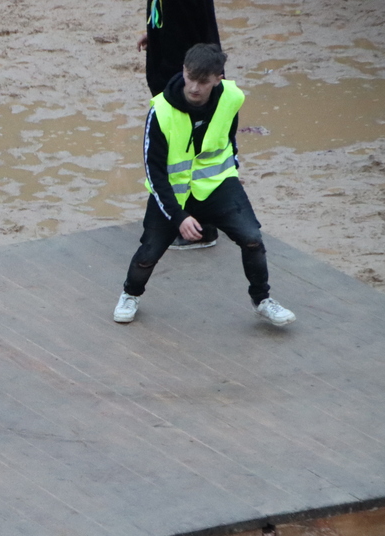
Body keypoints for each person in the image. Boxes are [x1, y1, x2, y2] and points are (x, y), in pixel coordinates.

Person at [113, 44, 296, 328]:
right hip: (173, 194)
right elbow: (154, 171)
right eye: (190, 78)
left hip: (217, 186)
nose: (194, 88)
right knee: (148, 253)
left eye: (203, 81)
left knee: (252, 239)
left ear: (218, 79)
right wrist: (178, 217)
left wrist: (232, 170)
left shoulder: (232, 98)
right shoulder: (161, 111)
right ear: (183, 70)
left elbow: (229, 138)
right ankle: (130, 294)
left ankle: (262, 300)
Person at [138, 0, 222, 250]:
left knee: (191, 154)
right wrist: (155, 34)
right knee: (170, 153)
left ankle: (202, 229)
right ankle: (176, 219)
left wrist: (209, 87)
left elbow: (207, 32)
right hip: (167, 77)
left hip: (185, 86)